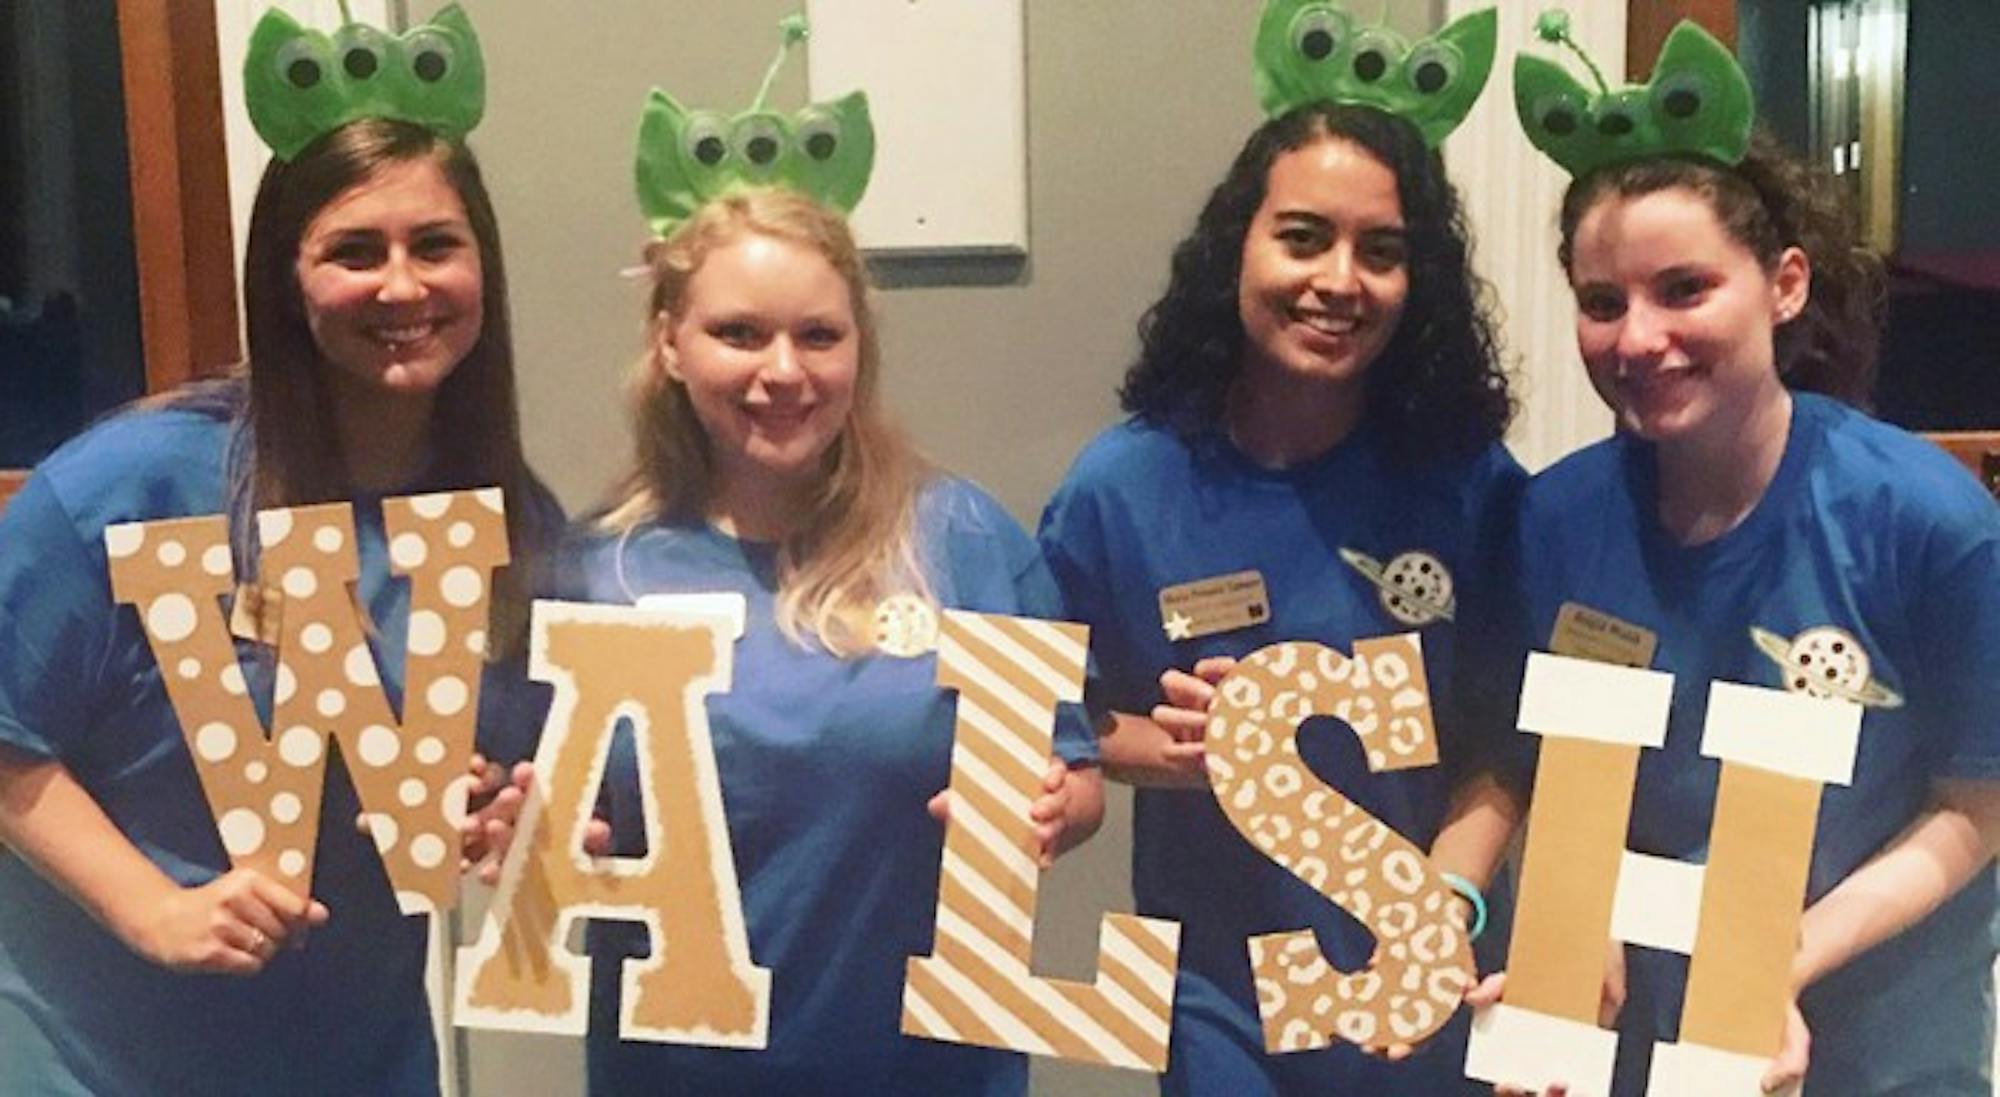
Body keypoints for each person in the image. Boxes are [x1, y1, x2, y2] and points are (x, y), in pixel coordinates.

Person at [1474, 17, 2000, 1096]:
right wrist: (1566, 934)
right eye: (1602, 302)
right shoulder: (1551, 520)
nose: (1637, 338)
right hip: (1639, 1050)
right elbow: (1549, 772)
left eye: (1684, 289)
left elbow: (1977, 805)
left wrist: (1774, 964)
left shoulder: (1926, 521)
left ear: (1784, 284)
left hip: (1879, 1052)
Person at [0, 100, 561, 1097]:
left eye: (436, 244)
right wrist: (151, 908)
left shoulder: (510, 524)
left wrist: (487, 813)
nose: (403, 284)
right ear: (284, 280)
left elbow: (490, 769)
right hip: (90, 1064)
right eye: (354, 251)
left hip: (361, 1061)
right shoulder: (128, 486)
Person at [1037, 82, 1527, 1094]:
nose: (1338, 281)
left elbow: (1509, 742)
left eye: (1380, 252)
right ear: (1238, 250)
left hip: (1430, 994)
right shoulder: (1120, 490)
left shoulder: (1471, 486)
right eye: (1302, 239)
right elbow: (1059, 723)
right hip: (1222, 1000)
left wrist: (1444, 903)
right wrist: (1176, 750)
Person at [568, 186, 1103, 1095]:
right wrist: (546, 833)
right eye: (739, 334)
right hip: (674, 1075)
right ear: (670, 343)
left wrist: (1056, 806)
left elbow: (1077, 777)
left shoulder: (962, 538)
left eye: (819, 335)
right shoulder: (595, 569)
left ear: (860, 347)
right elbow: (537, 805)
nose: (783, 371)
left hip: (929, 1072)